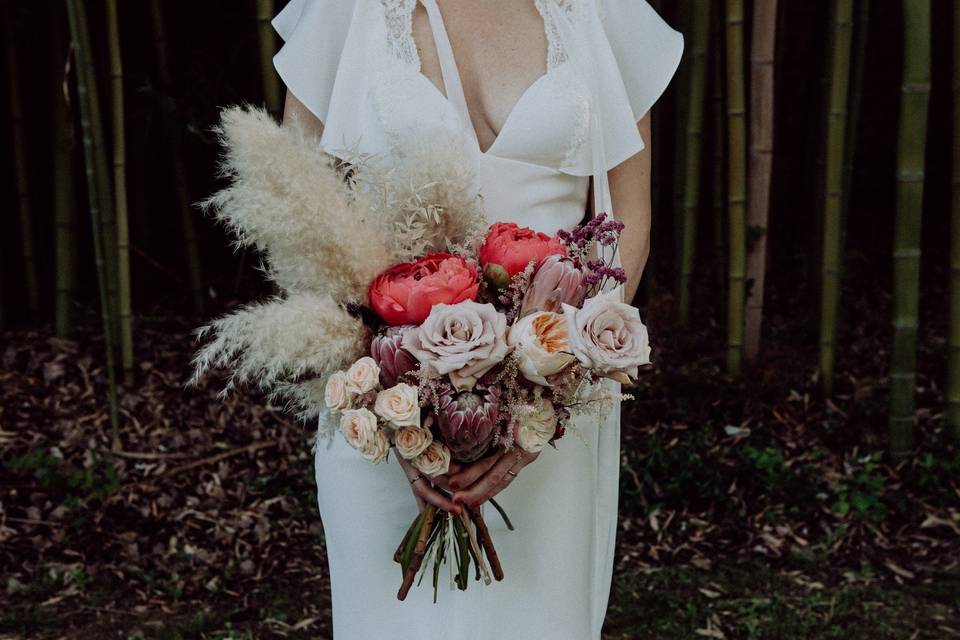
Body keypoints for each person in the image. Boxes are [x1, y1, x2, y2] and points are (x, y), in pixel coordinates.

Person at [271, 1, 682, 637]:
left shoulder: (599, 8)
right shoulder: (346, 8)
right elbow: (301, 219)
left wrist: (544, 398)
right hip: (382, 395)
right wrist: (397, 412)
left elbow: (631, 217)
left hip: (556, 394)